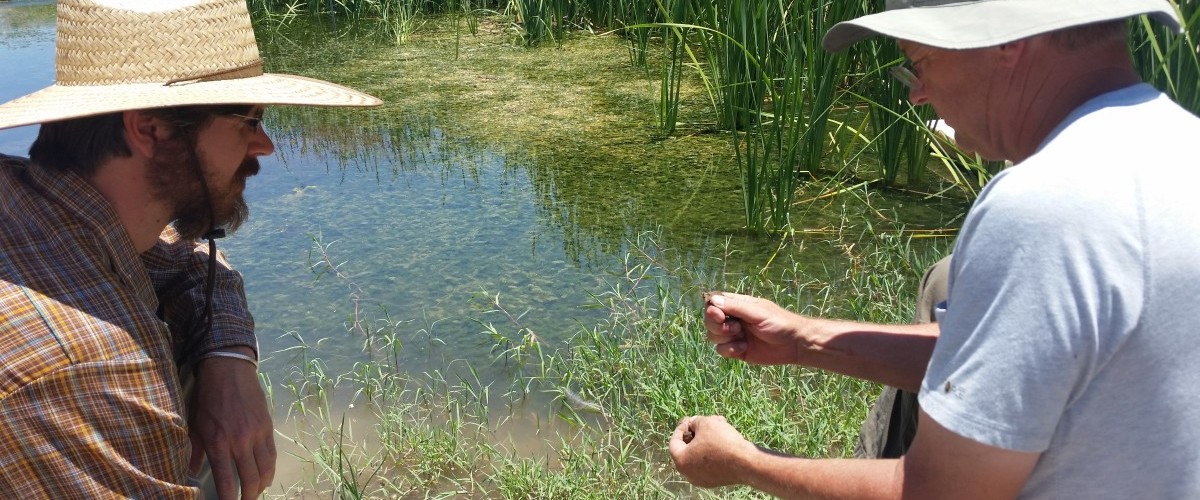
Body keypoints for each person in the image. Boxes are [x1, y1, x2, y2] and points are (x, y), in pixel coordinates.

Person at [670, 0, 1200, 497]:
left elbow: (938, 491)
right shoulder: (1177, 146)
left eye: (918, 62)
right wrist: (803, 340)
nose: (916, 94)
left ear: (1004, 41)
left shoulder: (1045, 206)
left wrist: (743, 463)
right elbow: (1006, 365)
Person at [0, 0, 380, 498]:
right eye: (248, 119)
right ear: (151, 128)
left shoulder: (32, 201)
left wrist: (226, 354)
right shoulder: (90, 368)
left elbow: (188, 254)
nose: (264, 145)